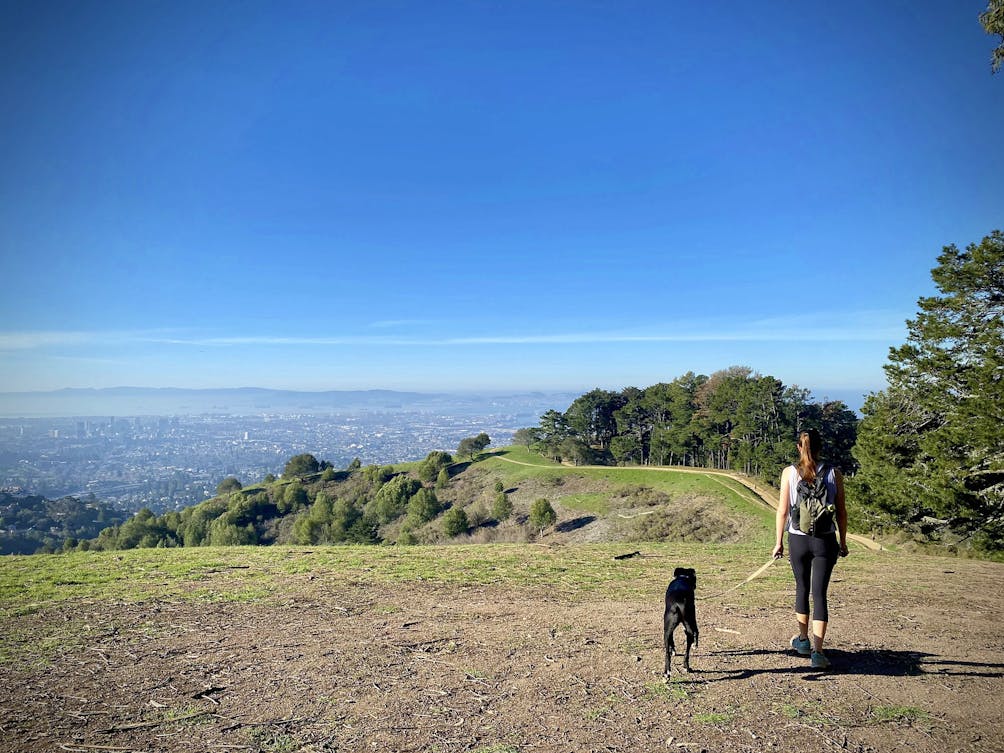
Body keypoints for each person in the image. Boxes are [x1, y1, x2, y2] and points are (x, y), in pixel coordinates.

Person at [771, 428, 848, 669]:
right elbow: (842, 512)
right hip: (825, 540)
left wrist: (778, 542)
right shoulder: (835, 473)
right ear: (820, 447)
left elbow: (783, 511)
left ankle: (803, 640)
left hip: (798, 539)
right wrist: (843, 542)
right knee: (820, 594)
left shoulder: (789, 473)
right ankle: (818, 652)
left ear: (799, 447)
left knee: (801, 588)